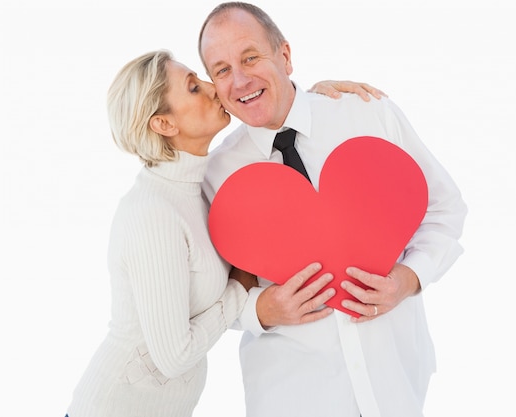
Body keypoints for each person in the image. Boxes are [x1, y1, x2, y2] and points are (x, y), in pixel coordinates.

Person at [64, 49, 385, 417]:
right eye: (193, 87)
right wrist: (242, 289)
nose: (212, 87)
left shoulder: (198, 189)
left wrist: (310, 101)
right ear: (164, 124)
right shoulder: (152, 213)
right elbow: (174, 356)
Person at [198, 3, 468, 417]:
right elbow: (209, 298)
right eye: (221, 69)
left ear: (284, 56)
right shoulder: (217, 175)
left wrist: (409, 278)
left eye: (250, 57)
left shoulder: (366, 114)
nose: (239, 79)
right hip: (289, 394)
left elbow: (444, 208)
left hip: (394, 381)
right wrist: (260, 310)